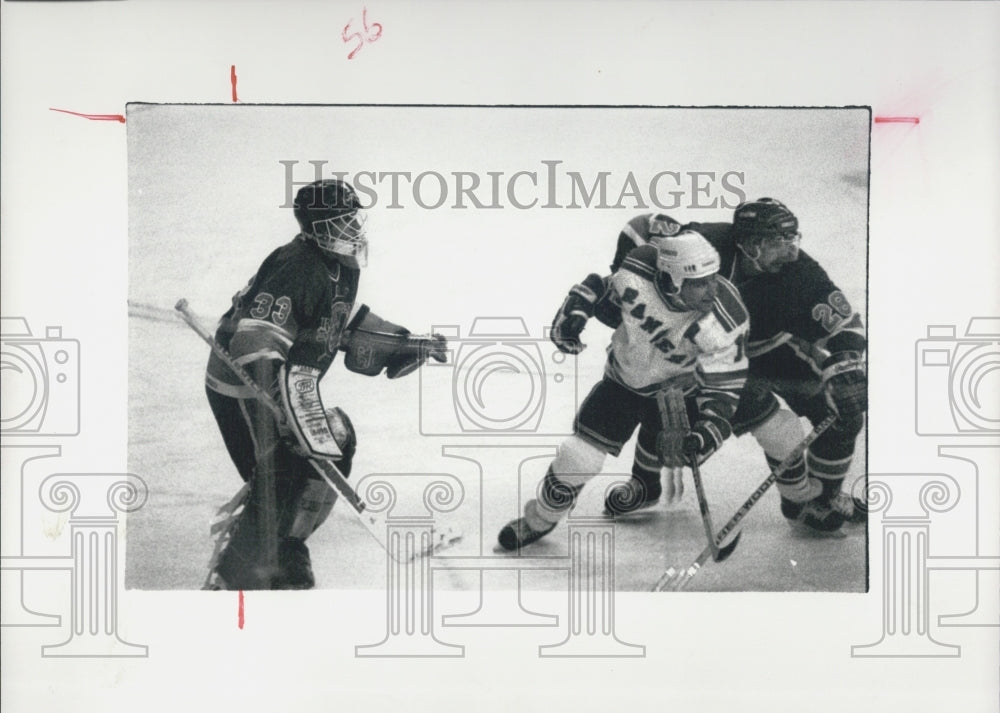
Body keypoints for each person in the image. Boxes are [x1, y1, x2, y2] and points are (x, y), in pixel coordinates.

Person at [203, 178, 446, 590]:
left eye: (353, 218)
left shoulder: (340, 264)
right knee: (283, 471)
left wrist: (403, 343)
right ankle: (233, 574)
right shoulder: (297, 266)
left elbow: (338, 321)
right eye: (339, 222)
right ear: (314, 228)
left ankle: (289, 546)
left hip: (288, 383)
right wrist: (286, 413)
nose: (351, 229)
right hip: (243, 387)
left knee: (334, 442)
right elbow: (256, 340)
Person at [596, 199, 867, 532]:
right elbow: (643, 242)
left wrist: (846, 367)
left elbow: (844, 325)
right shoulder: (702, 245)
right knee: (663, 392)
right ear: (751, 245)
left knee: (843, 412)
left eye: (793, 240)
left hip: (775, 350)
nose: (792, 252)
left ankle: (820, 499)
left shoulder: (802, 276)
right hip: (711, 354)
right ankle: (646, 483)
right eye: (779, 244)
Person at [497, 229, 750, 550]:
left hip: (677, 394)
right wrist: (576, 312)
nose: (712, 290)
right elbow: (601, 288)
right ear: (672, 280)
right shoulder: (638, 271)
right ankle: (540, 518)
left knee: (667, 448)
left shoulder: (725, 317)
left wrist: (707, 431)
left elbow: (726, 386)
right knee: (578, 456)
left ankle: (644, 486)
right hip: (623, 380)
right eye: (701, 283)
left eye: (714, 278)